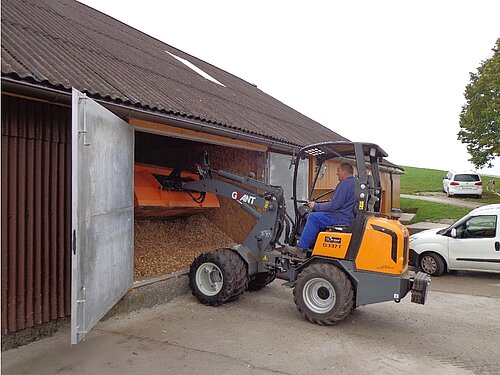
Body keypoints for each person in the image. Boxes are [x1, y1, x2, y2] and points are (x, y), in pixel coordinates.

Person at [284, 162, 357, 259]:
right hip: (348, 216)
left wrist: (316, 206)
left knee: (313, 217)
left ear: (344, 172)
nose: (337, 173)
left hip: (341, 217)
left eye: (338, 171)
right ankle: (314, 244)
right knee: (318, 215)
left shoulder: (344, 184)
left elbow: (333, 205)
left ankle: (301, 249)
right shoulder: (355, 184)